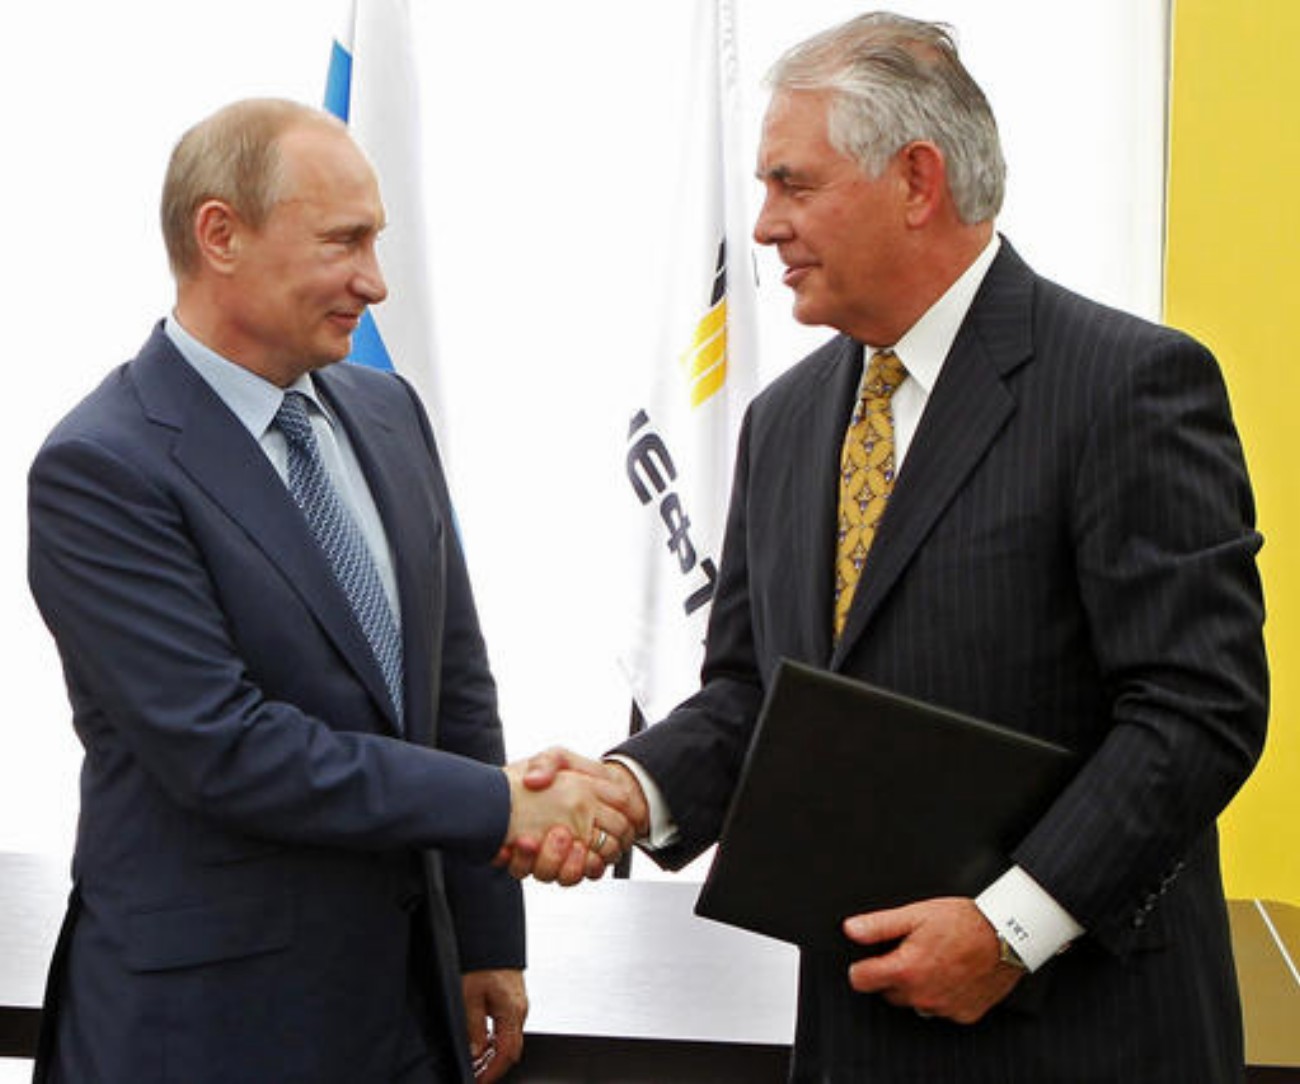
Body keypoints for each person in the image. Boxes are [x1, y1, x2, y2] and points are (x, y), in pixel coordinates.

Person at [512, 12, 1269, 1082]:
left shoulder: (1124, 386)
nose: (765, 224)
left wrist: (1010, 927)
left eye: (793, 183)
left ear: (916, 180)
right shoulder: (782, 422)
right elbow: (751, 697)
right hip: (855, 1034)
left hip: (1082, 1034)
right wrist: (627, 789)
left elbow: (1197, 707)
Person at [27, 98, 631, 1084]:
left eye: (378, 240)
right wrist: (499, 807)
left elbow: (452, 684)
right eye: (344, 242)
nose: (375, 281)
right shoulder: (102, 466)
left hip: (408, 1013)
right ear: (219, 234)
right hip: (209, 1032)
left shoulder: (385, 411)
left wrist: (485, 938)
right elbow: (223, 748)